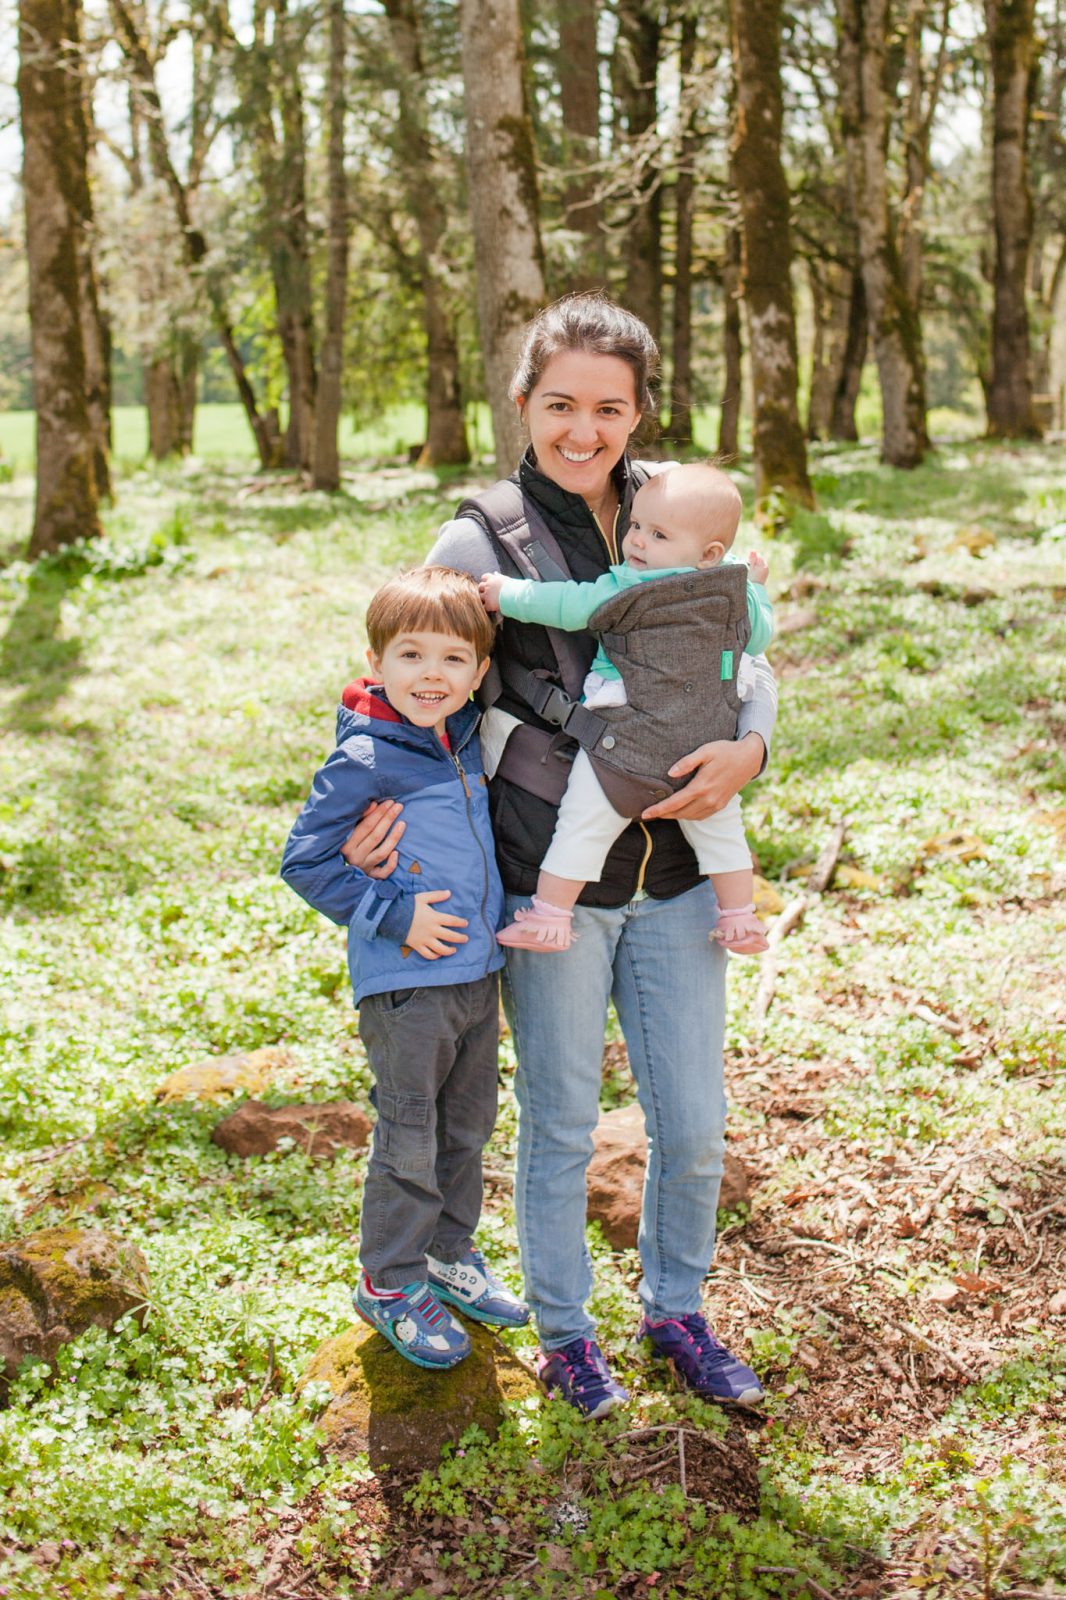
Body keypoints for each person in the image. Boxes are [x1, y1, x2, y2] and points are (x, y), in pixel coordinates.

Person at [349, 294, 776, 1418]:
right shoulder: (479, 539)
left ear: (638, 414)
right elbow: (409, 690)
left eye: (608, 408)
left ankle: (677, 1311)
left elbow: (744, 646)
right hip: (549, 877)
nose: (581, 431)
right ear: (524, 403)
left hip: (681, 876)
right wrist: (369, 820)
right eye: (559, 405)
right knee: (561, 1123)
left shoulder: (678, 513)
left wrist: (754, 748)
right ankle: (568, 1332)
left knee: (691, 1122)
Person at [280, 567, 529, 1372]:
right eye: (411, 655)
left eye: (454, 659)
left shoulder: (460, 734)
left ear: (480, 672)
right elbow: (306, 861)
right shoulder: (364, 752)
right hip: (406, 983)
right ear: (375, 661)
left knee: (468, 1125)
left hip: (473, 976)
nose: (432, 674)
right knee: (411, 1133)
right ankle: (388, 1279)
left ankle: (447, 1256)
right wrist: (398, 915)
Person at [477, 461, 774, 955]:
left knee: (582, 827)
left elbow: (566, 604)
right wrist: (755, 590)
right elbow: (757, 639)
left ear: (709, 553)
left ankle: (550, 915)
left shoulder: (628, 590)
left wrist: (507, 595)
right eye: (636, 525)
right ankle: (740, 918)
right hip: (704, 753)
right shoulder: (732, 590)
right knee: (723, 832)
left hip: (624, 748)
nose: (636, 541)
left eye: (657, 534)